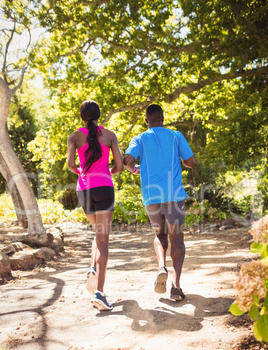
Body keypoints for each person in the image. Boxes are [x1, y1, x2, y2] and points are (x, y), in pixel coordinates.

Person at [123, 104, 195, 301]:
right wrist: (180, 159)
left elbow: (127, 160)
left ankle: (161, 266)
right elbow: (191, 162)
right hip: (174, 195)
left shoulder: (140, 138)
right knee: (177, 240)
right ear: (163, 118)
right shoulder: (175, 136)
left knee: (159, 234)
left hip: (151, 197)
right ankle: (176, 287)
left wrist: (134, 169)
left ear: (147, 121)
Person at [67, 100, 123, 311]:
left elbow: (71, 165)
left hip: (84, 189)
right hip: (104, 188)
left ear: (82, 116)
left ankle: (92, 266)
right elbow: (118, 166)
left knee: (97, 233)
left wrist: (83, 173)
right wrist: (108, 172)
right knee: (103, 240)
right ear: (99, 114)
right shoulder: (109, 135)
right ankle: (99, 293)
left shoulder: (74, 137)